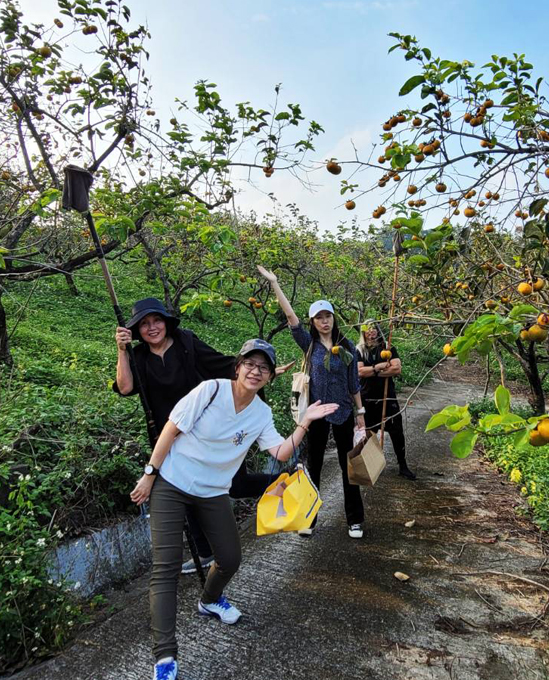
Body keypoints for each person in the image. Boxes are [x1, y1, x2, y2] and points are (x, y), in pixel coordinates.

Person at [130, 338, 338, 680]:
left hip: (213, 493)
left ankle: (209, 600)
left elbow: (280, 452)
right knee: (164, 570)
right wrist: (150, 474)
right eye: (250, 364)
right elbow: (170, 429)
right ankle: (164, 656)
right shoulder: (209, 390)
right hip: (172, 483)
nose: (255, 371)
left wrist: (306, 421)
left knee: (230, 558)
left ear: (270, 376)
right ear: (238, 367)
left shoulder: (261, 413)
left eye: (264, 367)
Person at [114, 297, 293, 573]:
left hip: (209, 431)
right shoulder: (138, 357)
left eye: (157, 321)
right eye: (145, 324)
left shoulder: (186, 342)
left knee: (236, 485)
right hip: (170, 435)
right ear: (137, 330)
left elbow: (219, 363)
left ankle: (284, 481)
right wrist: (122, 350)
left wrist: (259, 374)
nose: (152, 328)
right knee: (184, 492)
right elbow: (125, 387)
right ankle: (205, 552)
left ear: (166, 322)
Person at [263, 270, 367, 539]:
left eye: (328, 316)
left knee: (349, 467)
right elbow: (290, 319)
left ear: (334, 318)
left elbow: (354, 382)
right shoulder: (309, 345)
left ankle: (355, 520)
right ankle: (308, 518)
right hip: (317, 412)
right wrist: (275, 284)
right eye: (319, 318)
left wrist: (361, 413)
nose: (324, 321)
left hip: (343, 412)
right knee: (313, 467)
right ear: (313, 321)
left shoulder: (347, 349)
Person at [356, 320, 416, 480]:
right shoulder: (360, 350)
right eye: (368, 329)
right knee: (369, 434)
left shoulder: (388, 348)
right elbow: (360, 372)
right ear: (363, 332)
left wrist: (374, 371)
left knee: (397, 431)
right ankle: (371, 465)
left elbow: (396, 368)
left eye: (374, 328)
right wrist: (380, 368)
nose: (371, 331)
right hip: (368, 397)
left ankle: (403, 465)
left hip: (387, 396)